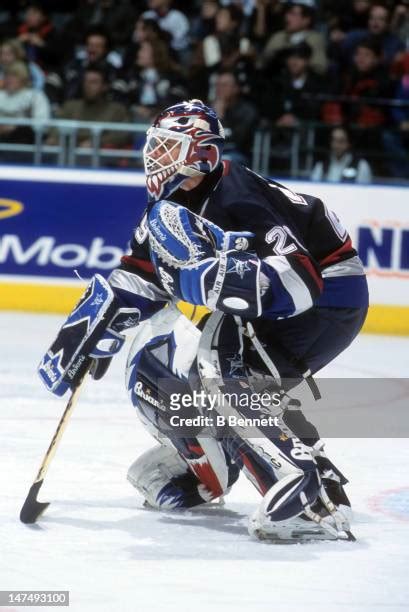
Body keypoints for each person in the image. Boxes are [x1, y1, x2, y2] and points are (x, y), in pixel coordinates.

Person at [39, 99, 368, 543]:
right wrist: (96, 327)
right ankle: (218, 462)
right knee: (168, 367)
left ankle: (303, 486)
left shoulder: (237, 194)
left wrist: (227, 281)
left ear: (200, 149)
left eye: (165, 146)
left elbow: (301, 280)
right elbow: (139, 274)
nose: (154, 156)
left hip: (331, 297)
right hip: (294, 302)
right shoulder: (170, 206)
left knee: (221, 366)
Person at [46, 65, 130, 149]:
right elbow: (55, 128)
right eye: (85, 81)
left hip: (101, 156)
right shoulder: (70, 106)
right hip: (69, 154)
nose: (87, 85)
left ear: (105, 86)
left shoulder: (117, 110)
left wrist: (97, 142)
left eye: (93, 82)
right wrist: (54, 138)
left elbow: (123, 135)